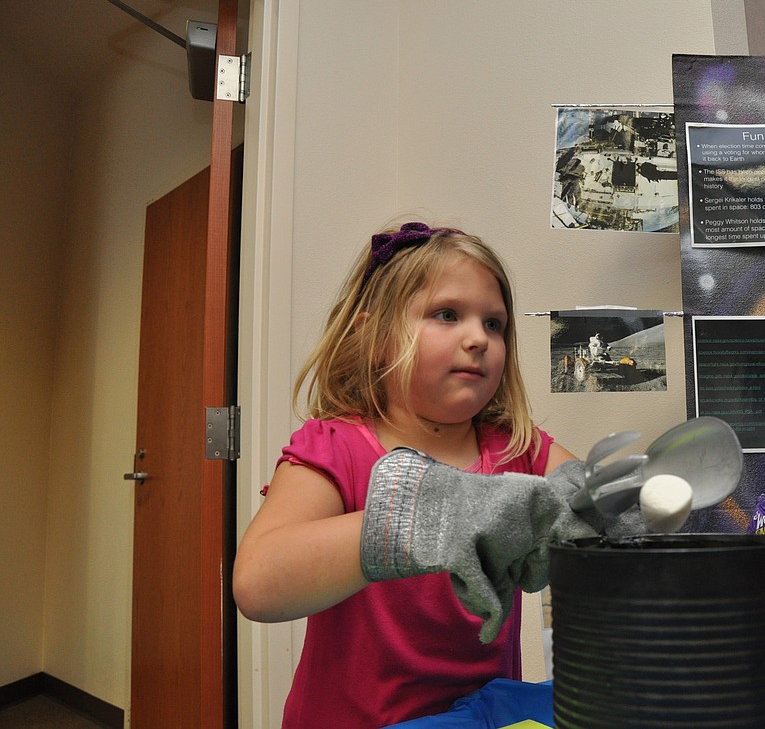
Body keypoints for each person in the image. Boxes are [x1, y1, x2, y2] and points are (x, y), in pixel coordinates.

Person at [233, 220, 622, 727]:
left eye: (494, 324)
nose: (478, 338)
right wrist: (423, 515)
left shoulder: (519, 449)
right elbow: (259, 585)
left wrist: (615, 509)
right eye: (447, 314)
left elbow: (600, 516)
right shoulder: (337, 448)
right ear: (374, 338)